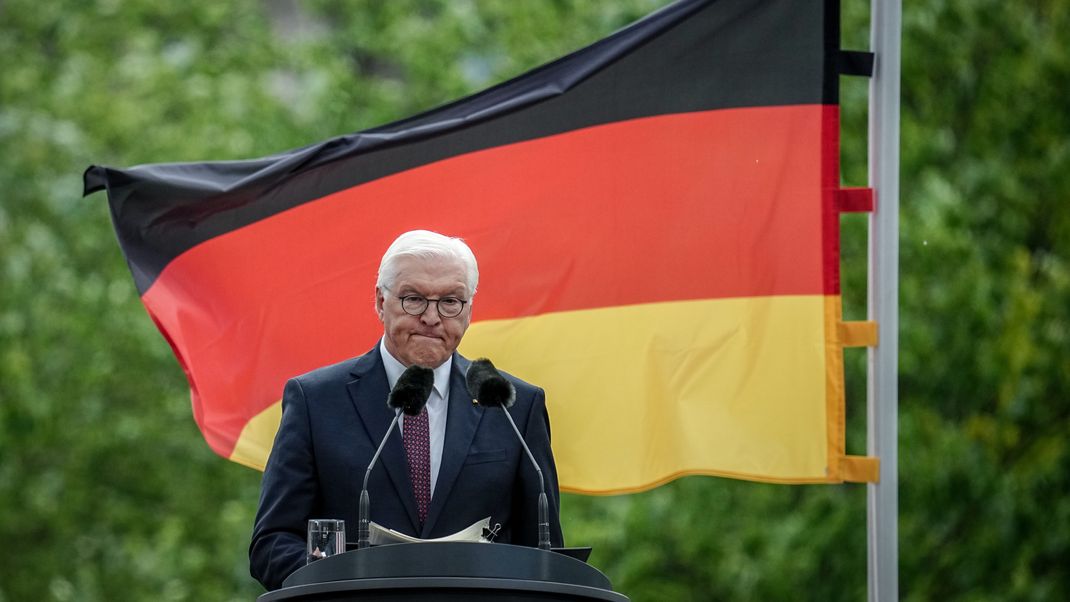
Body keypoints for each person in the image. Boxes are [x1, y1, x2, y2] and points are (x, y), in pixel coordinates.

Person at [249, 229, 563, 590]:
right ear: (381, 302)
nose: (432, 317)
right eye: (414, 299)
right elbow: (272, 543)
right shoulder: (316, 400)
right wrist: (335, 583)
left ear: (469, 311)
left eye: (450, 301)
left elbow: (545, 553)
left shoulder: (512, 405)